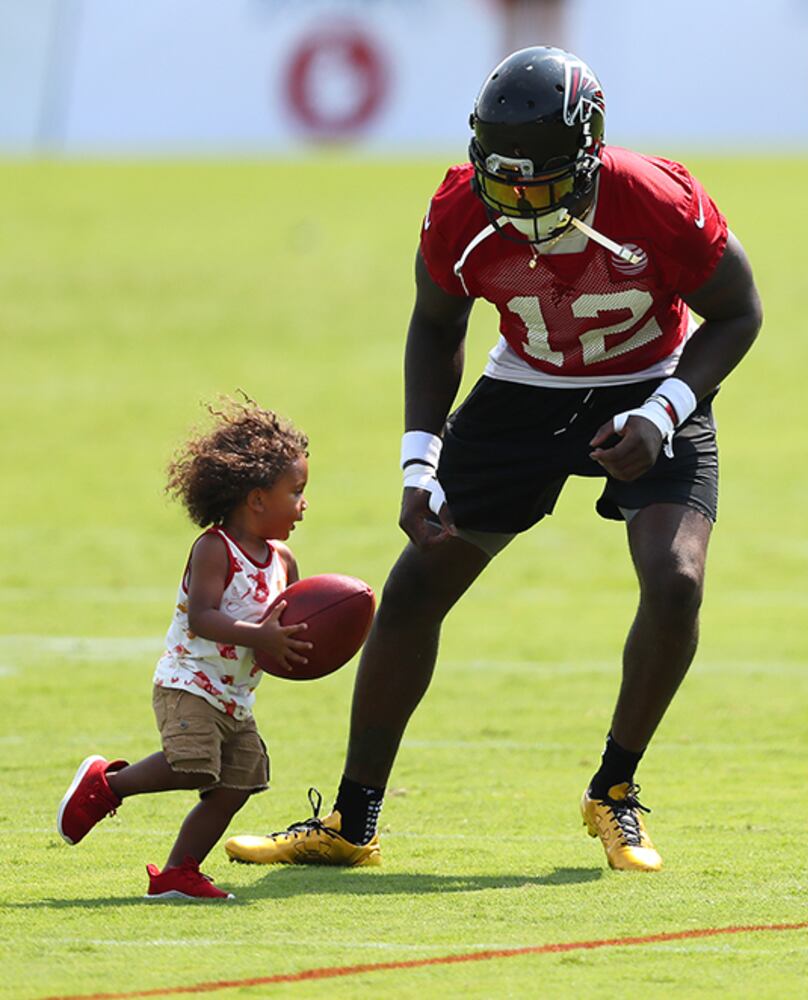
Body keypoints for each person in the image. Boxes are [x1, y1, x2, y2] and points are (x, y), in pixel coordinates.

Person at [225, 46, 762, 873]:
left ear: (586, 159)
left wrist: (662, 413)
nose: (517, 201)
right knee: (415, 586)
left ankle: (613, 791)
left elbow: (738, 312)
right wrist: (416, 466)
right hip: (526, 389)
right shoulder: (457, 211)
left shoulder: (656, 198)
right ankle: (353, 817)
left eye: (539, 182)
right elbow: (436, 326)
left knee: (676, 581)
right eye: (501, 180)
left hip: (651, 380)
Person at [56, 398, 312, 898]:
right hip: (189, 682)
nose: (305, 504)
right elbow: (203, 618)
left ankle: (179, 871)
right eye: (296, 492)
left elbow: (290, 622)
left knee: (237, 784)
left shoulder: (283, 559)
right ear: (257, 499)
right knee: (192, 764)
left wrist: (298, 649)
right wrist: (260, 635)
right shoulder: (215, 548)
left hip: (236, 697)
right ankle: (108, 785)